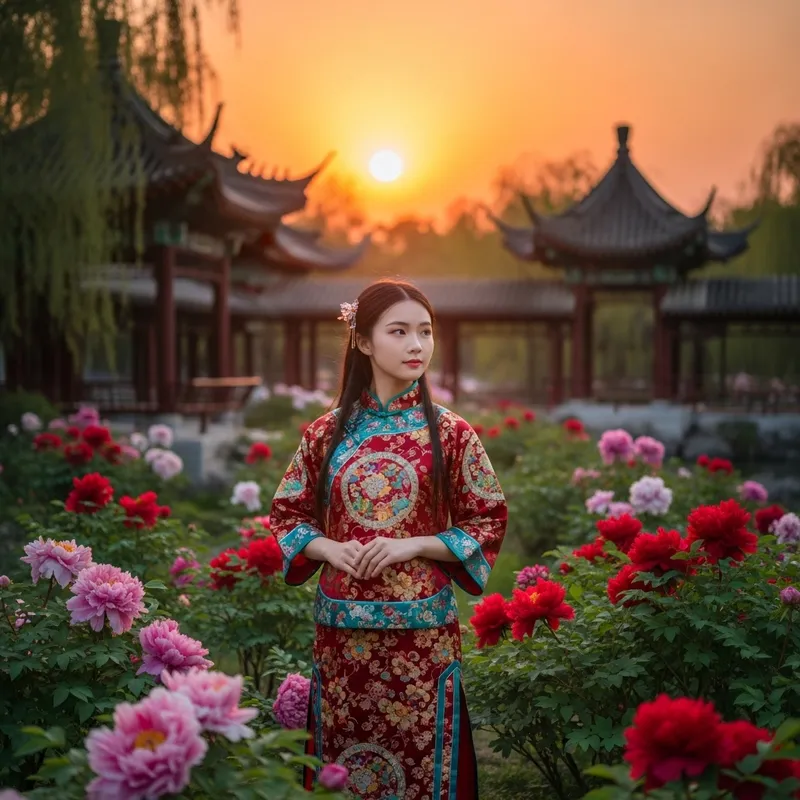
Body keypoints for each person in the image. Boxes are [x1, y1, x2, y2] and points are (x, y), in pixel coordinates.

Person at [270, 279, 507, 799]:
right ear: (363, 341)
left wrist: (414, 544)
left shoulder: (452, 433)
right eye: (399, 332)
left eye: (425, 331)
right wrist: (329, 548)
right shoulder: (325, 433)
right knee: (343, 762)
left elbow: (486, 520)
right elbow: (287, 514)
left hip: (422, 635)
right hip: (341, 634)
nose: (416, 345)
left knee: (424, 759)